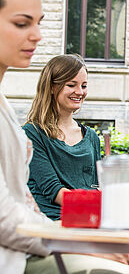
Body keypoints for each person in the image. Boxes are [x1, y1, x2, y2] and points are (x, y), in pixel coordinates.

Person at [0, 0, 129, 274]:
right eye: (22, 23)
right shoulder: (30, 131)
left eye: (39, 23)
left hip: (52, 240)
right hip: (22, 255)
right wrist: (81, 242)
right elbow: (7, 216)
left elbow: (24, 205)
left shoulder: (7, 111)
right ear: (53, 87)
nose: (37, 35)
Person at [23, 54, 100, 220]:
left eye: (84, 85)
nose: (80, 92)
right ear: (52, 87)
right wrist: (96, 205)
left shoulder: (92, 137)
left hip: (89, 221)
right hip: (52, 223)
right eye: (71, 85)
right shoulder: (32, 134)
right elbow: (53, 190)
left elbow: (97, 186)